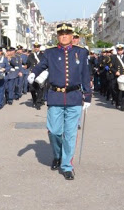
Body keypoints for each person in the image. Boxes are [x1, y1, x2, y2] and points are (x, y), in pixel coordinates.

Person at [28, 22, 91, 180]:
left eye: (67, 33)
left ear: (72, 36)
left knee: (70, 134)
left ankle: (66, 165)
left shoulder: (81, 52)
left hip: (74, 96)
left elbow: (85, 74)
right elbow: (40, 66)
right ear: (57, 36)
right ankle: (57, 155)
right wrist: (33, 73)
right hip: (55, 96)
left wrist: (88, 96)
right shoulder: (50, 53)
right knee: (55, 131)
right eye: (61, 34)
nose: (64, 36)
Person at [110, 44, 124, 111]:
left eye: (121, 50)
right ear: (117, 50)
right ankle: (117, 102)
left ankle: (123, 106)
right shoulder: (114, 57)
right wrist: (115, 72)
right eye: (118, 50)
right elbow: (111, 67)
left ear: (123, 50)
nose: (120, 51)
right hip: (116, 76)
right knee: (116, 90)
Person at [26, 42, 44, 109]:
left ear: (39, 48)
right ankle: (34, 100)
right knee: (32, 88)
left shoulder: (43, 55)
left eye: (37, 47)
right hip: (32, 73)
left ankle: (38, 103)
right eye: (35, 47)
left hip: (40, 73)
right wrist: (25, 66)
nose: (36, 48)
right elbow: (28, 64)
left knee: (40, 88)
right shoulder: (31, 55)